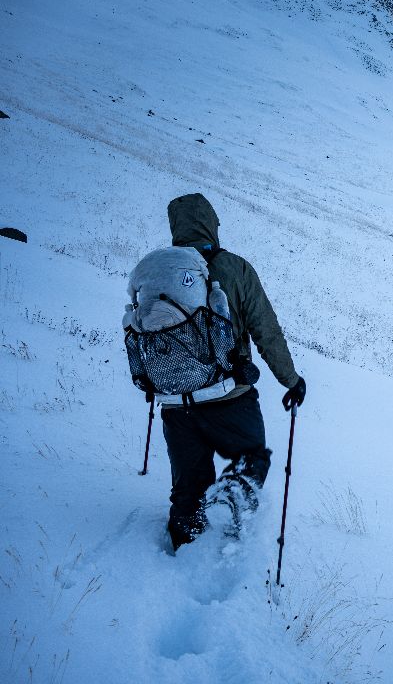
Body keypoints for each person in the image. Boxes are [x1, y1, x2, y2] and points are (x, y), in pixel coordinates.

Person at [160, 193, 306, 549]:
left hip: (176, 404)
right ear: (211, 223)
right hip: (230, 398)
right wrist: (291, 381)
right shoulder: (235, 268)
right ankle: (233, 498)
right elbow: (265, 332)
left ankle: (181, 551)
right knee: (251, 457)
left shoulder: (159, 273)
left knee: (187, 491)